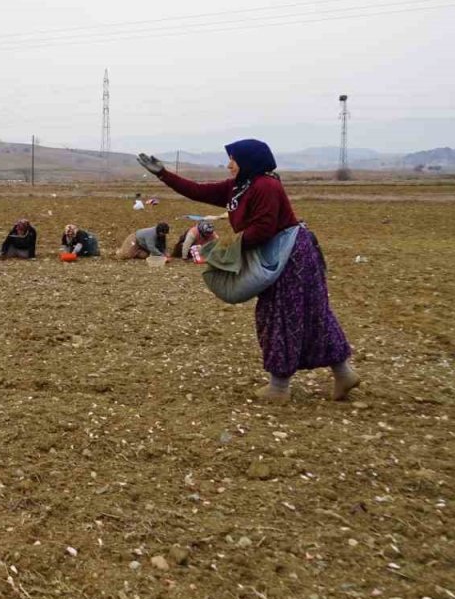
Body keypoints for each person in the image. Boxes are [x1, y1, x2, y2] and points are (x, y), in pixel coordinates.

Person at [138, 140, 358, 402]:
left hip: (291, 256)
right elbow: (198, 191)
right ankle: (344, 374)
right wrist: (163, 174)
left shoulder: (266, 186)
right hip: (280, 253)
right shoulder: (240, 187)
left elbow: (264, 229)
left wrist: (229, 247)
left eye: (234, 159)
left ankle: (279, 388)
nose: (229, 164)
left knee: (279, 314)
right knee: (310, 312)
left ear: (250, 161)